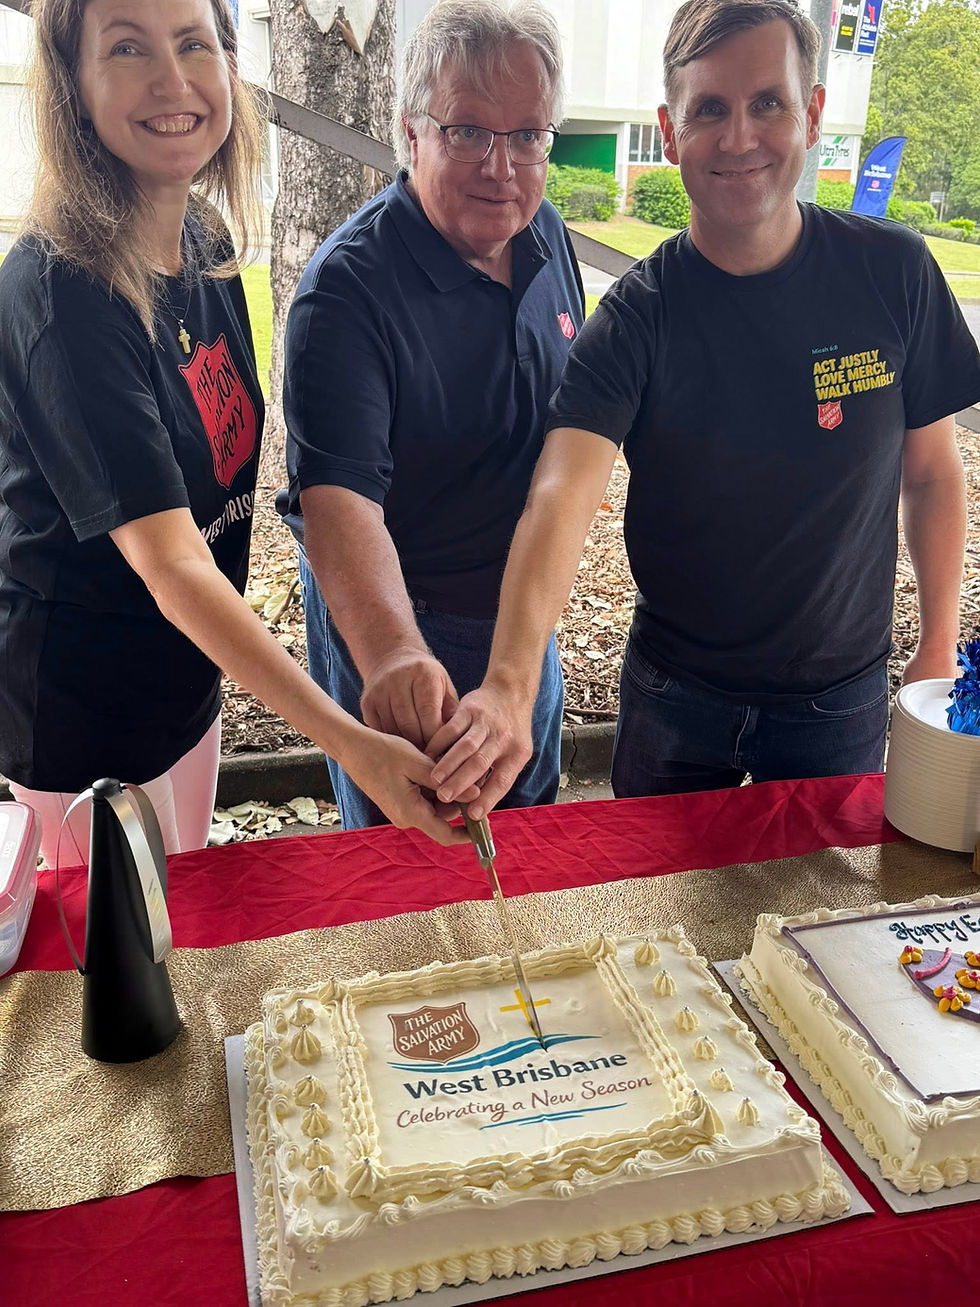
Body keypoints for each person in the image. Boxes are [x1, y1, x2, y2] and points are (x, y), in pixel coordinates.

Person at [427, 0, 980, 816]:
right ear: (671, 127)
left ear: (813, 111)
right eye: (709, 110)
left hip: (840, 701)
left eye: (768, 103)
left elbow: (931, 474)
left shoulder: (893, 272)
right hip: (676, 699)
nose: (739, 138)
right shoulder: (635, 317)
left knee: (818, 924)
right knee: (662, 940)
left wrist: (936, 643)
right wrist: (509, 683)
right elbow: (561, 495)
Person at [0, 0, 470, 865]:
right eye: (127, 48)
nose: (172, 80)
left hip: (190, 687)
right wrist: (350, 738)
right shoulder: (58, 290)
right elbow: (172, 560)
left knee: (184, 929)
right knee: (112, 979)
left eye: (194, 43)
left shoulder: (206, 240)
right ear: (73, 83)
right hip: (83, 724)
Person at [278, 0, 584, 829]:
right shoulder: (345, 293)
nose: (503, 167)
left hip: (526, 620)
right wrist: (395, 653)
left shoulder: (548, 237)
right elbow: (340, 506)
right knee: (410, 869)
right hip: (405, 615)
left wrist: (522, 654)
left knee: (526, 848)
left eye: (527, 137)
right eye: (468, 133)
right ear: (410, 133)